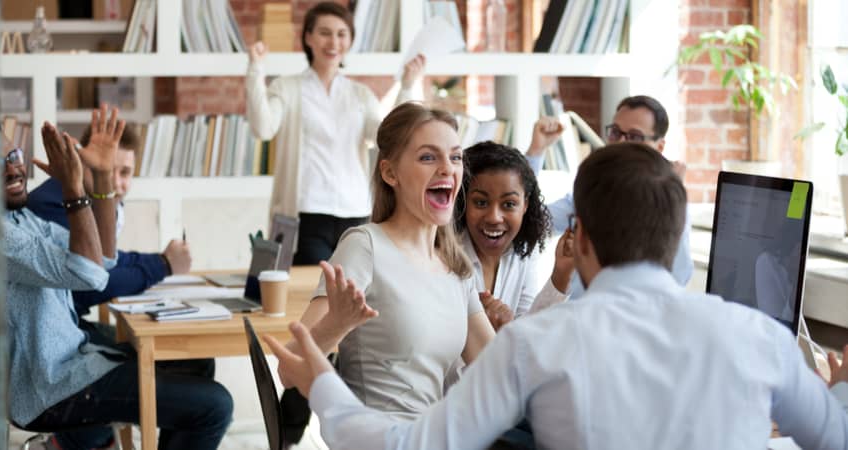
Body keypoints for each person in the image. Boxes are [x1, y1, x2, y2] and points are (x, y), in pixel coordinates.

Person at [266, 142, 848, 450]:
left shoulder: (533, 345)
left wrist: (324, 387)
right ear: (676, 243)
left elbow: (412, 445)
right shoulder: (761, 339)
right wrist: (839, 391)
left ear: (581, 238)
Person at [5, 108, 232, 450]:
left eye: (13, 155)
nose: (12, 167)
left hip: (74, 357)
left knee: (195, 362)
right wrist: (74, 187)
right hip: (51, 388)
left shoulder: (22, 218)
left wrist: (100, 177)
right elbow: (92, 275)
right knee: (215, 406)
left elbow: (104, 260)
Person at [279, 102, 497, 444]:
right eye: (428, 157)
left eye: (455, 157)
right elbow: (289, 368)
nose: (446, 169)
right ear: (389, 173)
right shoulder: (364, 247)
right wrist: (337, 323)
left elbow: (497, 369)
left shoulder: (457, 268)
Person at [246, 1, 425, 265]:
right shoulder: (287, 88)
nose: (333, 42)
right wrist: (255, 69)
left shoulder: (360, 94)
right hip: (304, 215)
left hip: (355, 214)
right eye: (324, 33)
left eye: (342, 34)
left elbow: (388, 138)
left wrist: (407, 87)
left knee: (354, 294)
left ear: (350, 40)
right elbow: (263, 127)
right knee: (309, 295)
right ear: (308, 37)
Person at [525, 95, 693, 300]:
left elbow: (679, 276)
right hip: (583, 318)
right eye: (615, 133)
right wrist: (536, 151)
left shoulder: (670, 201)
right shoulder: (593, 191)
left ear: (659, 147)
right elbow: (530, 220)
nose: (620, 143)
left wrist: (670, 200)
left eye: (634, 136)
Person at [27, 123, 192, 326]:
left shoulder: (96, 204)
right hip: (60, 333)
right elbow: (89, 285)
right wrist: (163, 266)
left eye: (124, 173)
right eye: (103, 170)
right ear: (82, 162)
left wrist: (165, 258)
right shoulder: (53, 204)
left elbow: (112, 259)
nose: (114, 182)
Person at [453, 141, 571, 329]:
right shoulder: (446, 255)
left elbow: (530, 331)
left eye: (509, 204)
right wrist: (482, 327)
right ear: (463, 202)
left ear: (525, 205)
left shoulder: (524, 250)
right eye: (481, 203)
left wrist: (561, 275)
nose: (494, 217)